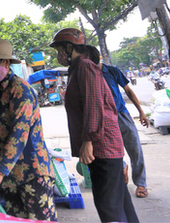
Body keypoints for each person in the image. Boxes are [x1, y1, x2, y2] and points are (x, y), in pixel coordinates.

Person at [50, 28, 139, 223]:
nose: (58, 55)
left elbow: (94, 106)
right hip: (102, 145)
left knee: (108, 207)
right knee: (119, 202)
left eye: (59, 49)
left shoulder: (85, 67)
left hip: (102, 146)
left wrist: (88, 141)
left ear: (69, 47)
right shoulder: (77, 69)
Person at [0, 38, 56, 221]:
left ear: (5, 62)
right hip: (7, 176)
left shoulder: (21, 90)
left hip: (32, 173)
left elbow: (19, 133)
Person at [100, 61, 149, 198]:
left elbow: (128, 90)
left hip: (122, 114)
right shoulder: (89, 74)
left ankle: (141, 184)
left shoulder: (112, 71)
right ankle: (122, 167)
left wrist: (141, 112)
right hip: (104, 118)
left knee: (135, 149)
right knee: (110, 150)